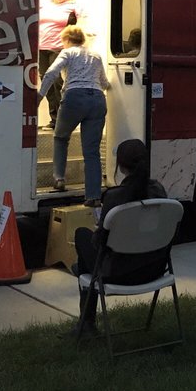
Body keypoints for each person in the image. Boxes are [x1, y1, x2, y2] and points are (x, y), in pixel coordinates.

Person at [72, 139, 170, 336]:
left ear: (121, 166)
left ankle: (86, 324)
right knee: (85, 261)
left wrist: (99, 230)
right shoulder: (159, 191)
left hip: (119, 272)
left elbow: (101, 243)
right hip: (155, 269)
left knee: (82, 235)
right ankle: (85, 322)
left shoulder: (115, 197)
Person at [38, 25, 108, 202]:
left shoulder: (67, 53)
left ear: (66, 40)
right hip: (97, 100)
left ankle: (59, 178)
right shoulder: (96, 55)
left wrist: (39, 97)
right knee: (92, 151)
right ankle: (93, 196)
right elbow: (104, 82)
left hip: (74, 98)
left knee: (61, 137)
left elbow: (51, 73)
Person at [38, 0, 84, 129]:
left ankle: (62, 118)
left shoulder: (72, 6)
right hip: (41, 47)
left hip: (58, 48)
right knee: (46, 82)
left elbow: (84, 19)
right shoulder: (43, 5)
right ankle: (55, 119)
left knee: (57, 82)